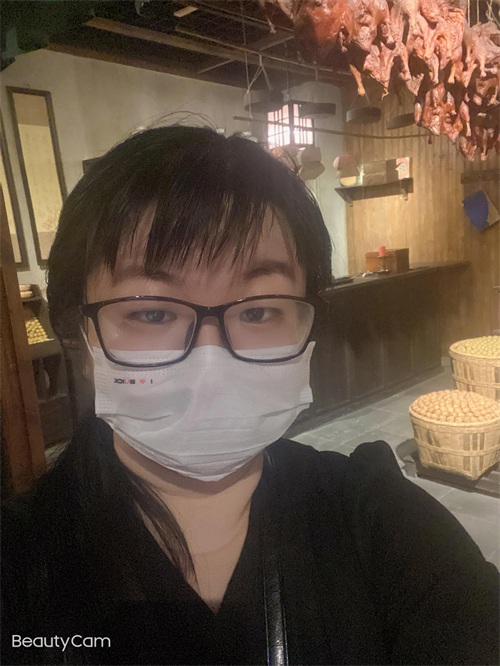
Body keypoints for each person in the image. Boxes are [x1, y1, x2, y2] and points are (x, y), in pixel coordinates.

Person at [1, 126, 498, 666]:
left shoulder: (373, 516)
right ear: (78, 335)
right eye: (152, 312)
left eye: (258, 310)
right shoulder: (21, 558)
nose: (210, 359)